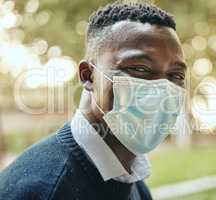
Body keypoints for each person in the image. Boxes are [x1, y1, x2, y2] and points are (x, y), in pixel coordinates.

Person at [0, 1, 187, 200]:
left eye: (176, 75)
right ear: (89, 75)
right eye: (139, 69)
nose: (162, 88)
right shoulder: (42, 190)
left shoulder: (133, 181)